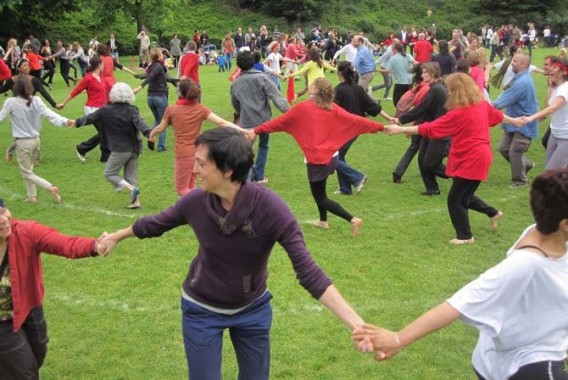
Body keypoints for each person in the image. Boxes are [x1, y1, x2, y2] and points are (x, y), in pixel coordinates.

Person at [97, 127, 369, 379]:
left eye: (202, 164)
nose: (194, 170)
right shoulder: (195, 201)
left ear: (227, 169)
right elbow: (155, 223)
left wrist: (358, 324)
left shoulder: (272, 209)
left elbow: (309, 272)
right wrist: (118, 236)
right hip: (201, 309)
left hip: (253, 309)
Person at [353, 169, 568, 380]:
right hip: (528, 362)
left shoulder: (545, 233)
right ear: (565, 225)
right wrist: (398, 339)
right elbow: (459, 303)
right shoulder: (525, 264)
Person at [385, 73, 519, 245]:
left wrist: (402, 130)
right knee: (465, 195)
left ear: (458, 91)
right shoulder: (480, 104)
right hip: (478, 156)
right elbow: (498, 116)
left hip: (472, 158)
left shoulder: (460, 113)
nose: (447, 93)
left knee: (455, 199)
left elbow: (433, 128)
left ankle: (465, 236)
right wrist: (515, 121)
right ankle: (493, 213)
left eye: (450, 90)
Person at [247, 78, 386, 236]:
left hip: (318, 161)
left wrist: (255, 130)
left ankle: (353, 219)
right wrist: (381, 127)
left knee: (320, 198)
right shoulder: (332, 108)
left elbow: (279, 122)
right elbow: (357, 120)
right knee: (321, 191)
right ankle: (323, 221)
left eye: (311, 85)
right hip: (332, 158)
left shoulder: (303, 108)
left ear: (314, 91)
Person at [0, 197, 104, 379]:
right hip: (2, 321)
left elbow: (65, 244)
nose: (2, 219)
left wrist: (94, 246)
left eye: (2, 211)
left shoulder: (26, 232)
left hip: (29, 307)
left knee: (37, 355)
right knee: (25, 372)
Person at [149, 78, 242, 196]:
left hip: (183, 155)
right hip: (199, 154)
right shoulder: (200, 108)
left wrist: (152, 134)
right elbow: (222, 122)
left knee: (182, 189)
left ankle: (208, 201)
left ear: (180, 92)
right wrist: (243, 130)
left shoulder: (172, 110)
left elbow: (160, 127)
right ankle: (196, 210)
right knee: (191, 186)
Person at [73, 83, 151, 209]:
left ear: (112, 95)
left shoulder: (106, 109)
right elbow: (140, 124)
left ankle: (131, 188)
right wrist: (149, 133)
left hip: (120, 149)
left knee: (109, 173)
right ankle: (136, 202)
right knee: (131, 175)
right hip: (135, 147)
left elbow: (90, 118)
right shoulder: (132, 109)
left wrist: (76, 122)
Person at [0, 76, 72, 203]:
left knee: (26, 173)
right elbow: (51, 114)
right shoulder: (37, 100)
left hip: (23, 142)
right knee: (29, 169)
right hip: (36, 141)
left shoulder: (11, 102)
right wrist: (65, 121)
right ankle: (32, 196)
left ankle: (50, 187)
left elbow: (1, 118)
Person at [333, 61, 392, 195]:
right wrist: (389, 118)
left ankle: (357, 178)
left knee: (332, 156)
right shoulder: (358, 88)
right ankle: (345, 188)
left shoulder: (338, 90)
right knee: (338, 155)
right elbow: (373, 107)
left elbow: (330, 111)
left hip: (345, 130)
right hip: (356, 130)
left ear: (340, 73)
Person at [231, 50, 289, 184]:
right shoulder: (263, 78)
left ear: (239, 65)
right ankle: (258, 176)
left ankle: (251, 178)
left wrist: (242, 111)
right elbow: (277, 98)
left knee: (247, 150)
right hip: (264, 120)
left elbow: (235, 103)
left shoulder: (236, 83)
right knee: (263, 146)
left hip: (246, 121)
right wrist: (288, 112)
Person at [393, 62, 449, 195]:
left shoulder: (436, 89)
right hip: (429, 130)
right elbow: (423, 110)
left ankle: (458, 175)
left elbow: (421, 109)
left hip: (438, 132)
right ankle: (432, 189)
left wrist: (400, 120)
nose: (422, 74)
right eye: (422, 72)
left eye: (425, 72)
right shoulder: (433, 88)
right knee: (422, 160)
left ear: (433, 73)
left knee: (431, 163)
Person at [492, 52, 539, 188]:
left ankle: (520, 180)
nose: (512, 63)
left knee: (515, 151)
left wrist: (485, 106)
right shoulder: (520, 77)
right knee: (503, 148)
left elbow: (502, 102)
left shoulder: (522, 82)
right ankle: (527, 164)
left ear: (524, 64)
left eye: (516, 61)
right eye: (513, 60)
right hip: (513, 121)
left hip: (523, 122)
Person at [57, 55, 109, 162]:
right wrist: (64, 103)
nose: (104, 65)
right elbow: (76, 91)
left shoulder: (102, 76)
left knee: (105, 131)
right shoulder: (88, 78)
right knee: (106, 131)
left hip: (102, 108)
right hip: (92, 109)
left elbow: (106, 89)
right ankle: (82, 148)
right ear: (99, 65)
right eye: (102, 63)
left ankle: (104, 156)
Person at [521, 57, 568, 170]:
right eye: (551, 67)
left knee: (549, 173)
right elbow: (548, 104)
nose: (550, 69)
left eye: (555, 67)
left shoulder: (565, 89)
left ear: (564, 72)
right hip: (555, 133)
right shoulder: (555, 86)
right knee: (552, 170)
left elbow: (553, 107)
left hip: (565, 137)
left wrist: (531, 118)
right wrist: (550, 87)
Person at [133, 48, 169, 152]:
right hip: (159, 98)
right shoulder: (158, 66)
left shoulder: (151, 66)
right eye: (161, 54)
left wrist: (178, 80)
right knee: (164, 122)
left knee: (158, 120)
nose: (163, 55)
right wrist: (139, 87)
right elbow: (149, 78)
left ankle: (150, 134)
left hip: (150, 98)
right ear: (158, 56)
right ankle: (161, 146)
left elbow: (150, 76)